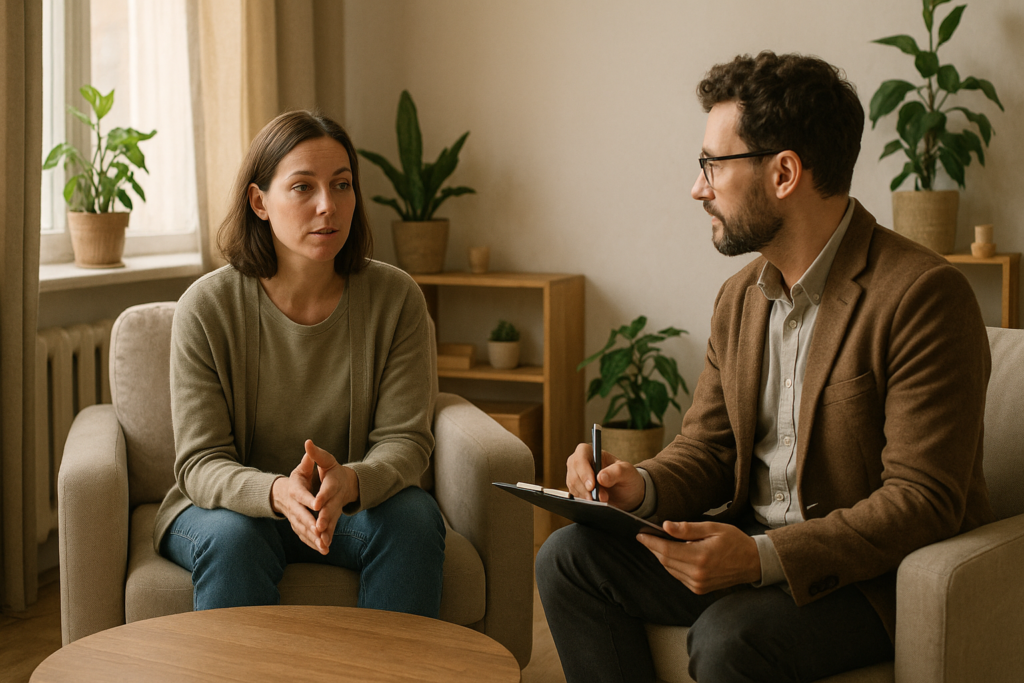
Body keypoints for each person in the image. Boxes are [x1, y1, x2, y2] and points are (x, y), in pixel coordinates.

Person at [536, 51, 995, 683]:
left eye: (711, 165)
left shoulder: (922, 296)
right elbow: (707, 446)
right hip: (744, 541)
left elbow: (922, 500)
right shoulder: (740, 297)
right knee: (568, 557)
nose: (698, 188)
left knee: (731, 638)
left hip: (864, 581)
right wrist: (635, 485)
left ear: (783, 173)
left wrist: (760, 558)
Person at [153, 110, 445, 617]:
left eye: (342, 184)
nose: (328, 206)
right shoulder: (206, 307)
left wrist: (352, 481)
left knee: (415, 517)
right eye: (303, 187)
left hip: (344, 508)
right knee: (235, 539)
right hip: (229, 513)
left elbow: (407, 440)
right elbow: (200, 463)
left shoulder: (397, 298)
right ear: (259, 201)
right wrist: (274, 492)